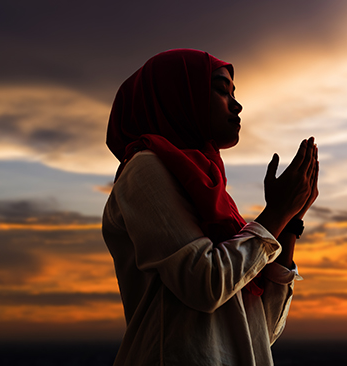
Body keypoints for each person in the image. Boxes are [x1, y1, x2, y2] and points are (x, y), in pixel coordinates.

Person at [102, 48, 318, 366]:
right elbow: (204, 283)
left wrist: (290, 223)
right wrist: (277, 213)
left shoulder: (211, 195)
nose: (237, 103)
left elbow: (262, 329)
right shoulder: (145, 169)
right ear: (178, 96)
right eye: (220, 89)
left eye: (234, 92)